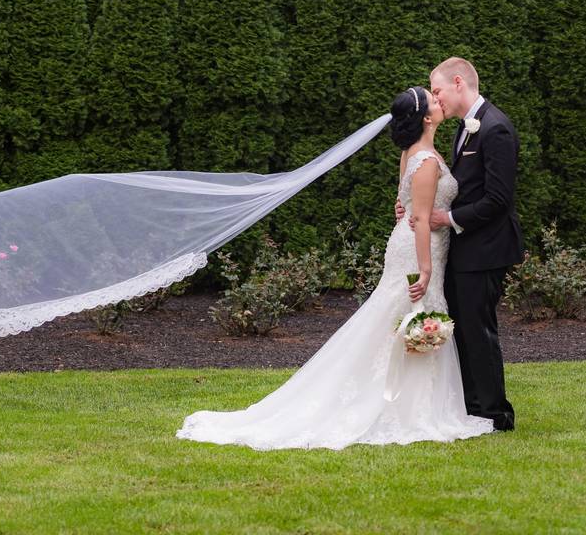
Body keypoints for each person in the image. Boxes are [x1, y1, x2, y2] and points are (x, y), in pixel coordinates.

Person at [176, 86, 495, 450]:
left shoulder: (413, 154)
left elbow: (404, 202)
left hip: (416, 243)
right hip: (420, 250)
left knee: (397, 320)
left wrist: (405, 212)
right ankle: (406, 410)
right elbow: (420, 217)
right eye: (434, 100)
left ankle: (415, 402)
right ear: (425, 117)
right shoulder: (424, 160)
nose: (441, 102)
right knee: (408, 313)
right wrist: (424, 270)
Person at [397, 57, 522, 431]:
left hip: (486, 250)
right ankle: (473, 406)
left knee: (478, 330)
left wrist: (446, 219)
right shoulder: (463, 130)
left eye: (436, 91)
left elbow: (498, 199)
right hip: (464, 250)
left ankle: (496, 414)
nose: (436, 99)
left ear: (457, 83)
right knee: (465, 329)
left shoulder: (495, 128)